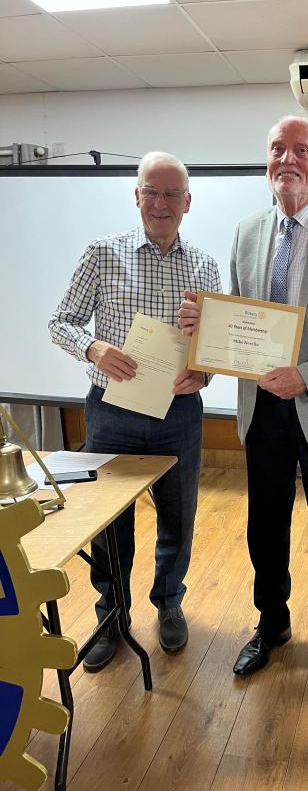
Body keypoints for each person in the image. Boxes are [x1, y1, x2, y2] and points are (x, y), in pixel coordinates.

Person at [179, 116, 308, 693]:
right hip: (261, 408)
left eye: (300, 150)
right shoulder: (246, 231)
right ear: (267, 160)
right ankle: (272, 626)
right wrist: (203, 328)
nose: (288, 159)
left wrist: (305, 376)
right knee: (264, 527)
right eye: (277, 149)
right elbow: (238, 324)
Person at [49, 151, 221, 671]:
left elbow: (214, 349)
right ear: (136, 196)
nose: (161, 203)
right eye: (152, 192)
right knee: (110, 523)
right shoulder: (102, 253)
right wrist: (93, 348)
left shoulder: (205, 266)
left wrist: (203, 374)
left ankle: (169, 603)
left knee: (178, 517)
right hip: (112, 413)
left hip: (178, 416)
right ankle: (111, 614)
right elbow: (61, 322)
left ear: (188, 203)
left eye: (172, 194)